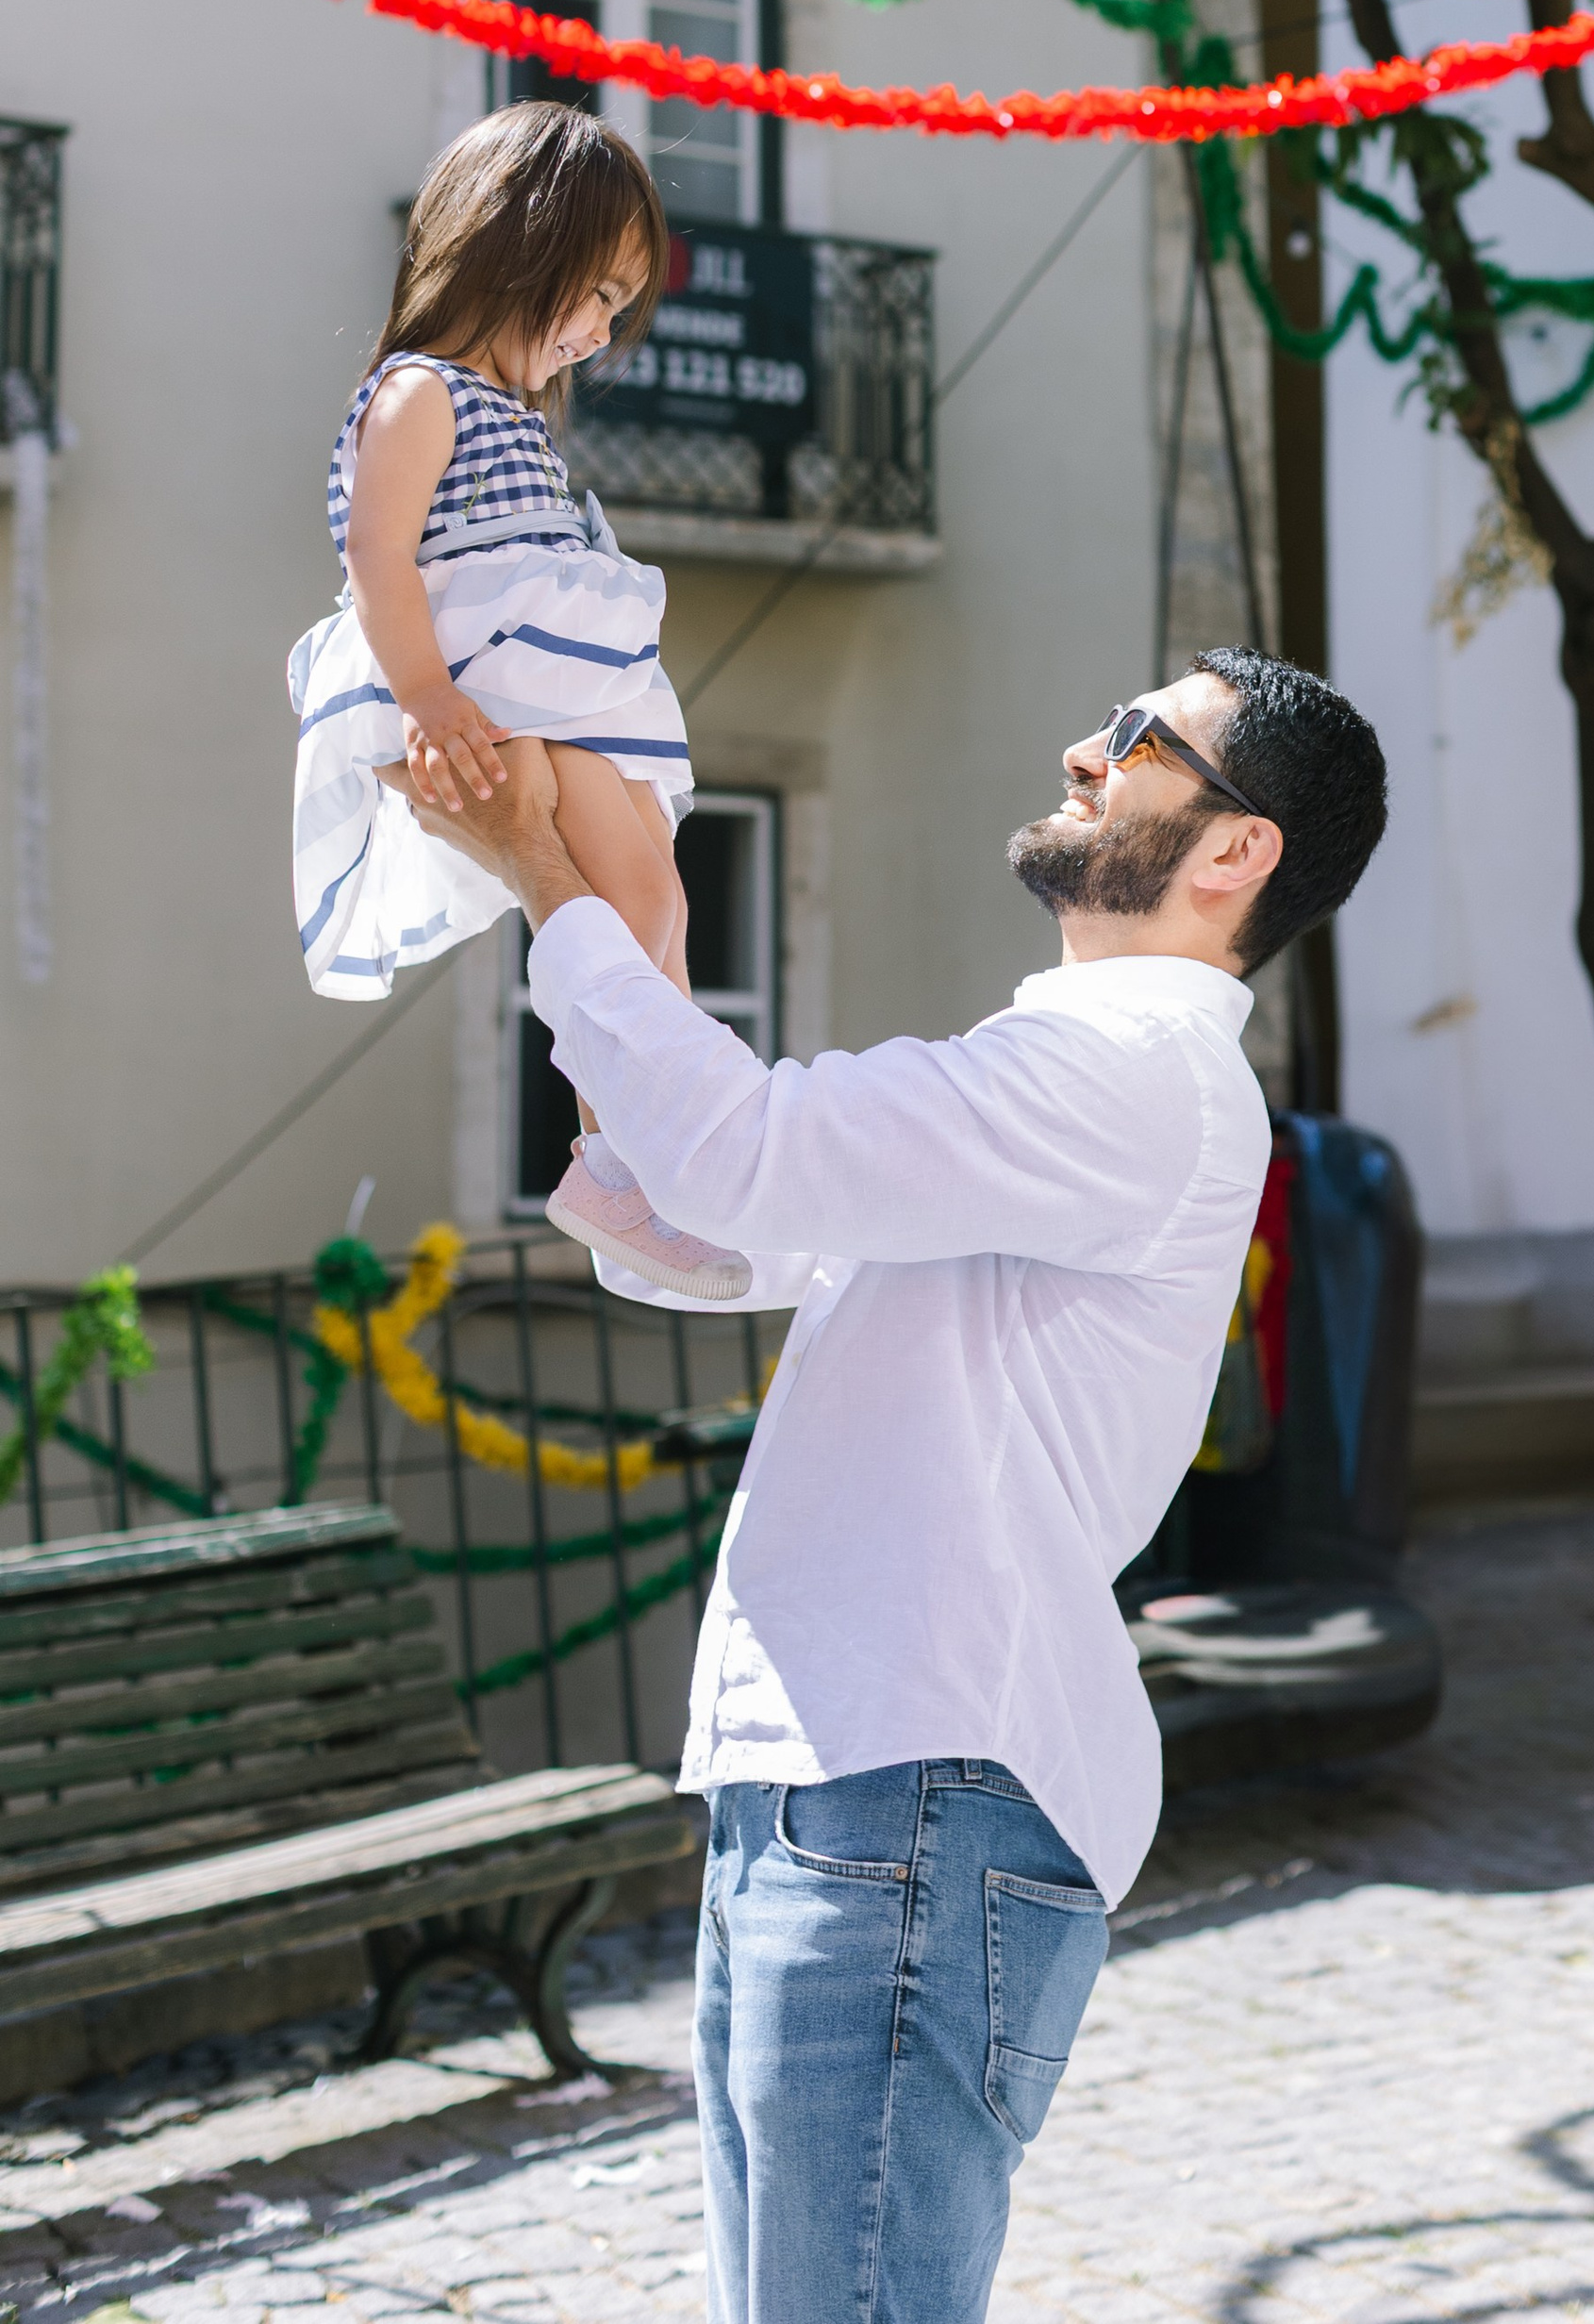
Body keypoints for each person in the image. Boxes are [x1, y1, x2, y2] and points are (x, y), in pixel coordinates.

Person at [404, 646, 1387, 2324]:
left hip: (915, 1791)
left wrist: (547, 877)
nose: (1084, 749)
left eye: (1140, 737)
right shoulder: (1076, 1065)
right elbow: (706, 1226)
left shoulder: (1137, 1068)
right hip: (862, 1785)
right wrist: (610, 923)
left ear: (1238, 850)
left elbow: (746, 1156)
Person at [289, 97, 743, 1299]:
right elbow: (378, 556)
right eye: (596, 294)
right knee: (631, 900)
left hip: (552, 688)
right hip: (496, 687)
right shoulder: (419, 392)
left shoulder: (506, 412)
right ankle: (618, 1165)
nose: (600, 332)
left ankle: (656, 1151)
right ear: (518, 246)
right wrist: (428, 695)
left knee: (658, 901)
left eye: (616, 308)